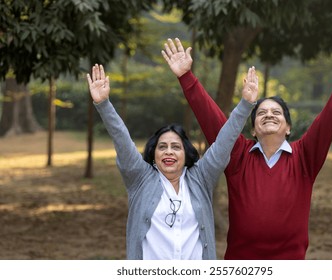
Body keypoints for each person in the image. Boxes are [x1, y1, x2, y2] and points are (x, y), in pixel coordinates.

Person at [162, 38, 332, 259]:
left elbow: (328, 120)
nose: (269, 115)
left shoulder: (304, 158)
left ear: (288, 128)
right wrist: (186, 77)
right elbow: (213, 121)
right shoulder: (238, 156)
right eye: (262, 113)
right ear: (253, 130)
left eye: (276, 112)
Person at [86, 64, 258, 259]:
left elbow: (224, 142)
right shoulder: (139, 178)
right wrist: (104, 105)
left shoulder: (201, 177)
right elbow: (122, 139)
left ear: (186, 153)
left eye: (176, 147)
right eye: (162, 147)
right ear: (154, 152)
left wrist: (245, 105)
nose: (169, 152)